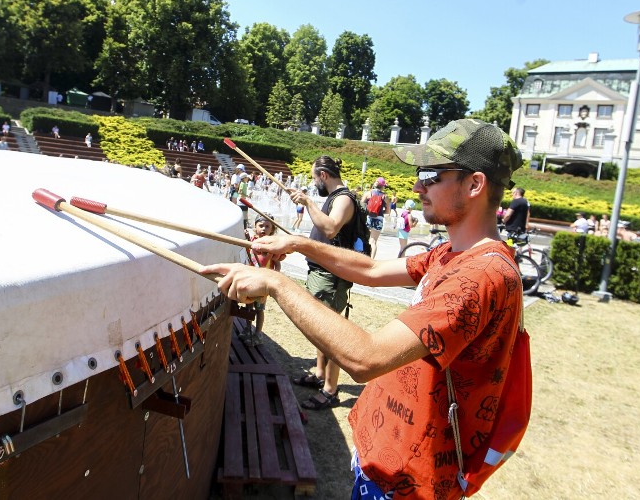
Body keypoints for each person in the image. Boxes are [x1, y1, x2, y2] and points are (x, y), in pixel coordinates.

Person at [202, 119, 525, 499]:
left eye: (431, 176)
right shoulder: (453, 254)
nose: (417, 186)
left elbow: (365, 359)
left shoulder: (482, 274)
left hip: (408, 482)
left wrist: (275, 283)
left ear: (474, 184)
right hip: (385, 459)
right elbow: (371, 270)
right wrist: (298, 245)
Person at [268, 156, 359, 411]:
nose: (313, 182)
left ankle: (330, 390)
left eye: (314, 177)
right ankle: (320, 375)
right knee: (320, 330)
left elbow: (330, 229)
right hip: (322, 273)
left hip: (331, 278)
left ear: (323, 175)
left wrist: (307, 201)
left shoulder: (343, 198)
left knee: (330, 334)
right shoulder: (334, 197)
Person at [239, 214, 282, 346]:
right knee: (248, 306)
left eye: (267, 226)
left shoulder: (272, 245)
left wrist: (275, 275)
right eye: (260, 226)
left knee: (259, 309)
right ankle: (248, 328)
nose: (263, 229)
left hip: (263, 282)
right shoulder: (252, 240)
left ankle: (258, 333)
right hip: (251, 279)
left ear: (272, 229)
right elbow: (245, 249)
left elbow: (277, 263)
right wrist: (246, 236)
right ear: (255, 227)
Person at [360, 177, 389, 260]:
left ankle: (363, 257)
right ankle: (371, 260)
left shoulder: (368, 193)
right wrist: (380, 212)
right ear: (383, 186)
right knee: (373, 241)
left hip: (368, 217)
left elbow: (361, 206)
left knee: (365, 238)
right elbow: (388, 211)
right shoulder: (385, 196)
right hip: (378, 219)